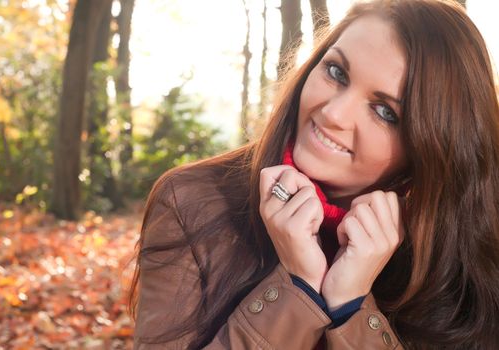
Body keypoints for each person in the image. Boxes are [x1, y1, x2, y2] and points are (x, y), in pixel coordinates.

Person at [129, 0, 499, 348]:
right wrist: (297, 288)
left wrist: (351, 306)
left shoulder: (456, 257)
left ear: (430, 150)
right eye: (336, 72)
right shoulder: (190, 203)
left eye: (384, 111)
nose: (334, 114)